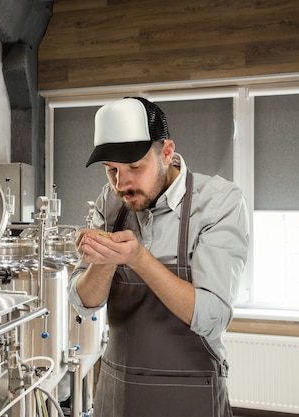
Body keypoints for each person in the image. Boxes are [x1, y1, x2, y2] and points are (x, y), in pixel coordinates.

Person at [68, 97, 249, 417]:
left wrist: (139, 258)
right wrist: (105, 259)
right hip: (117, 390)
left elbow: (212, 318)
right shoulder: (109, 203)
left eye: (135, 168)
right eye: (112, 170)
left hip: (191, 391)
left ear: (166, 152)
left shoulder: (219, 203)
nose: (121, 185)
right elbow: (85, 302)